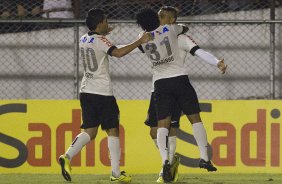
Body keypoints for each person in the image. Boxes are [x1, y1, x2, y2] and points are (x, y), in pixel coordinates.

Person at [58, 8, 152, 183]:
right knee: (113, 130)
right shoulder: (101, 40)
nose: (108, 24)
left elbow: (110, 48)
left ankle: (67, 156)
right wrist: (140, 40)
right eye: (106, 21)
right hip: (102, 93)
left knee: (89, 132)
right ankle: (116, 174)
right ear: (100, 22)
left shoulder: (84, 38)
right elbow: (118, 53)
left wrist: (136, 46)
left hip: (86, 91)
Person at [136, 7, 227, 183]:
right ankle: (189, 159)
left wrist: (114, 51)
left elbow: (198, 51)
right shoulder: (172, 30)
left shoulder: (144, 38)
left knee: (167, 126)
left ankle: (168, 163)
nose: (159, 16)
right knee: (181, 123)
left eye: (162, 15)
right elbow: (185, 31)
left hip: (161, 84)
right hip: (173, 83)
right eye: (158, 15)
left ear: (170, 19)